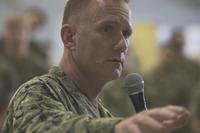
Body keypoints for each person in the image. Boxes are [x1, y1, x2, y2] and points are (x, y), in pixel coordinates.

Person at [2, 0, 191, 133]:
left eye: (126, 33)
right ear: (70, 38)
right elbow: (44, 127)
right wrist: (118, 129)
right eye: (107, 29)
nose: (123, 45)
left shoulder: (99, 111)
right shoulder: (37, 92)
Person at [144, 29, 200, 133]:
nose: (167, 56)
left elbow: (192, 98)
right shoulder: (148, 77)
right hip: (157, 125)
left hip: (183, 125)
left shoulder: (190, 69)